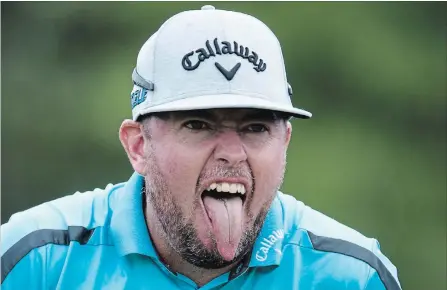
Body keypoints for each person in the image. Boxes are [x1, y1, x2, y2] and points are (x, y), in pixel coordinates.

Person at [1, 5, 402, 290]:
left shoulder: (352, 275)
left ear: (285, 143)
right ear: (139, 146)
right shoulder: (35, 260)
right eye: (198, 124)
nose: (232, 151)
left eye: (256, 127)